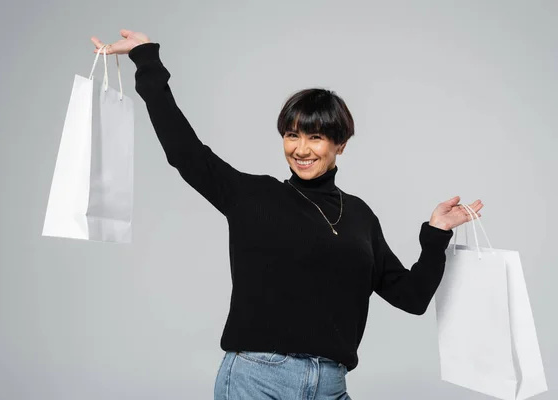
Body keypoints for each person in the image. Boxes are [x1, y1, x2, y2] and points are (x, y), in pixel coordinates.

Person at [90, 29, 484, 400]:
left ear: (340, 145)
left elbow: (411, 298)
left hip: (330, 383)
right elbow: (184, 151)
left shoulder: (360, 217)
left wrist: (436, 234)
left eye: (315, 137)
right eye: (292, 135)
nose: (301, 148)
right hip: (258, 379)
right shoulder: (252, 195)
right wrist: (147, 59)